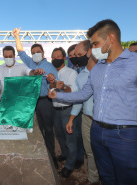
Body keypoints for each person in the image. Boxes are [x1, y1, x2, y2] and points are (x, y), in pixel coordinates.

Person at [48, 19, 137, 185]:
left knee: (127, 179)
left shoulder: (134, 62)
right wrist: (58, 96)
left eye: (95, 44)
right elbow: (83, 94)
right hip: (97, 131)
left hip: (125, 135)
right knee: (107, 176)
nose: (92, 50)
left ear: (111, 38)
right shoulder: (98, 68)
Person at [13, 27, 59, 168]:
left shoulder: (50, 66)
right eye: (33, 53)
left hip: (45, 102)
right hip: (31, 102)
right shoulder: (31, 63)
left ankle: (51, 157)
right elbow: (20, 52)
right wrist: (16, 37)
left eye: (38, 52)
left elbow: (56, 85)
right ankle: (38, 155)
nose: (35, 54)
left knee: (48, 130)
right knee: (34, 130)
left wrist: (51, 80)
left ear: (43, 53)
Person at [66, 42, 100, 185]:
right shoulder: (80, 77)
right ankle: (93, 179)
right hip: (87, 118)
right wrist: (71, 119)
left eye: (80, 55)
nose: (77, 58)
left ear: (90, 51)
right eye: (75, 55)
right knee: (90, 152)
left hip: (103, 121)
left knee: (106, 153)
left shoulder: (105, 70)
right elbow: (79, 100)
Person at [47, 47, 79, 176]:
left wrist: (64, 86)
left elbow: (75, 92)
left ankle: (70, 165)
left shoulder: (71, 73)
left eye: (58, 57)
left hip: (67, 110)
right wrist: (52, 85)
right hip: (55, 110)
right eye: (53, 57)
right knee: (60, 136)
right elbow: (50, 93)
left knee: (70, 139)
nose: (55, 59)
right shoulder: (51, 74)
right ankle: (64, 154)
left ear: (64, 58)